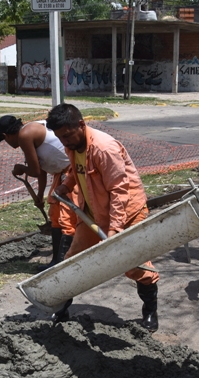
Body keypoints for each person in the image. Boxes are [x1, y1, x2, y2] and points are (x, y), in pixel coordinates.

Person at [46, 103, 160, 332]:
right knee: (73, 261)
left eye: (67, 136)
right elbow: (76, 170)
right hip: (93, 213)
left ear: (81, 125)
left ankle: (150, 311)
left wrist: (115, 229)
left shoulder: (103, 148)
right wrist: (67, 186)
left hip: (127, 213)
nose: (65, 143)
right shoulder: (73, 144)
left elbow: (120, 190)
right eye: (60, 138)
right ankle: (61, 309)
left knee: (134, 265)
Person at [0, 115, 75, 271]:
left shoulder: (25, 135)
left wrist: (20, 168)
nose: (8, 144)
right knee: (55, 216)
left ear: (6, 135)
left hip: (72, 172)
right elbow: (41, 173)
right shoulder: (28, 132)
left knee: (64, 217)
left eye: (4, 140)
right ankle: (57, 261)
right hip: (62, 173)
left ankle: (64, 262)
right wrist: (39, 196)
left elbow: (34, 170)